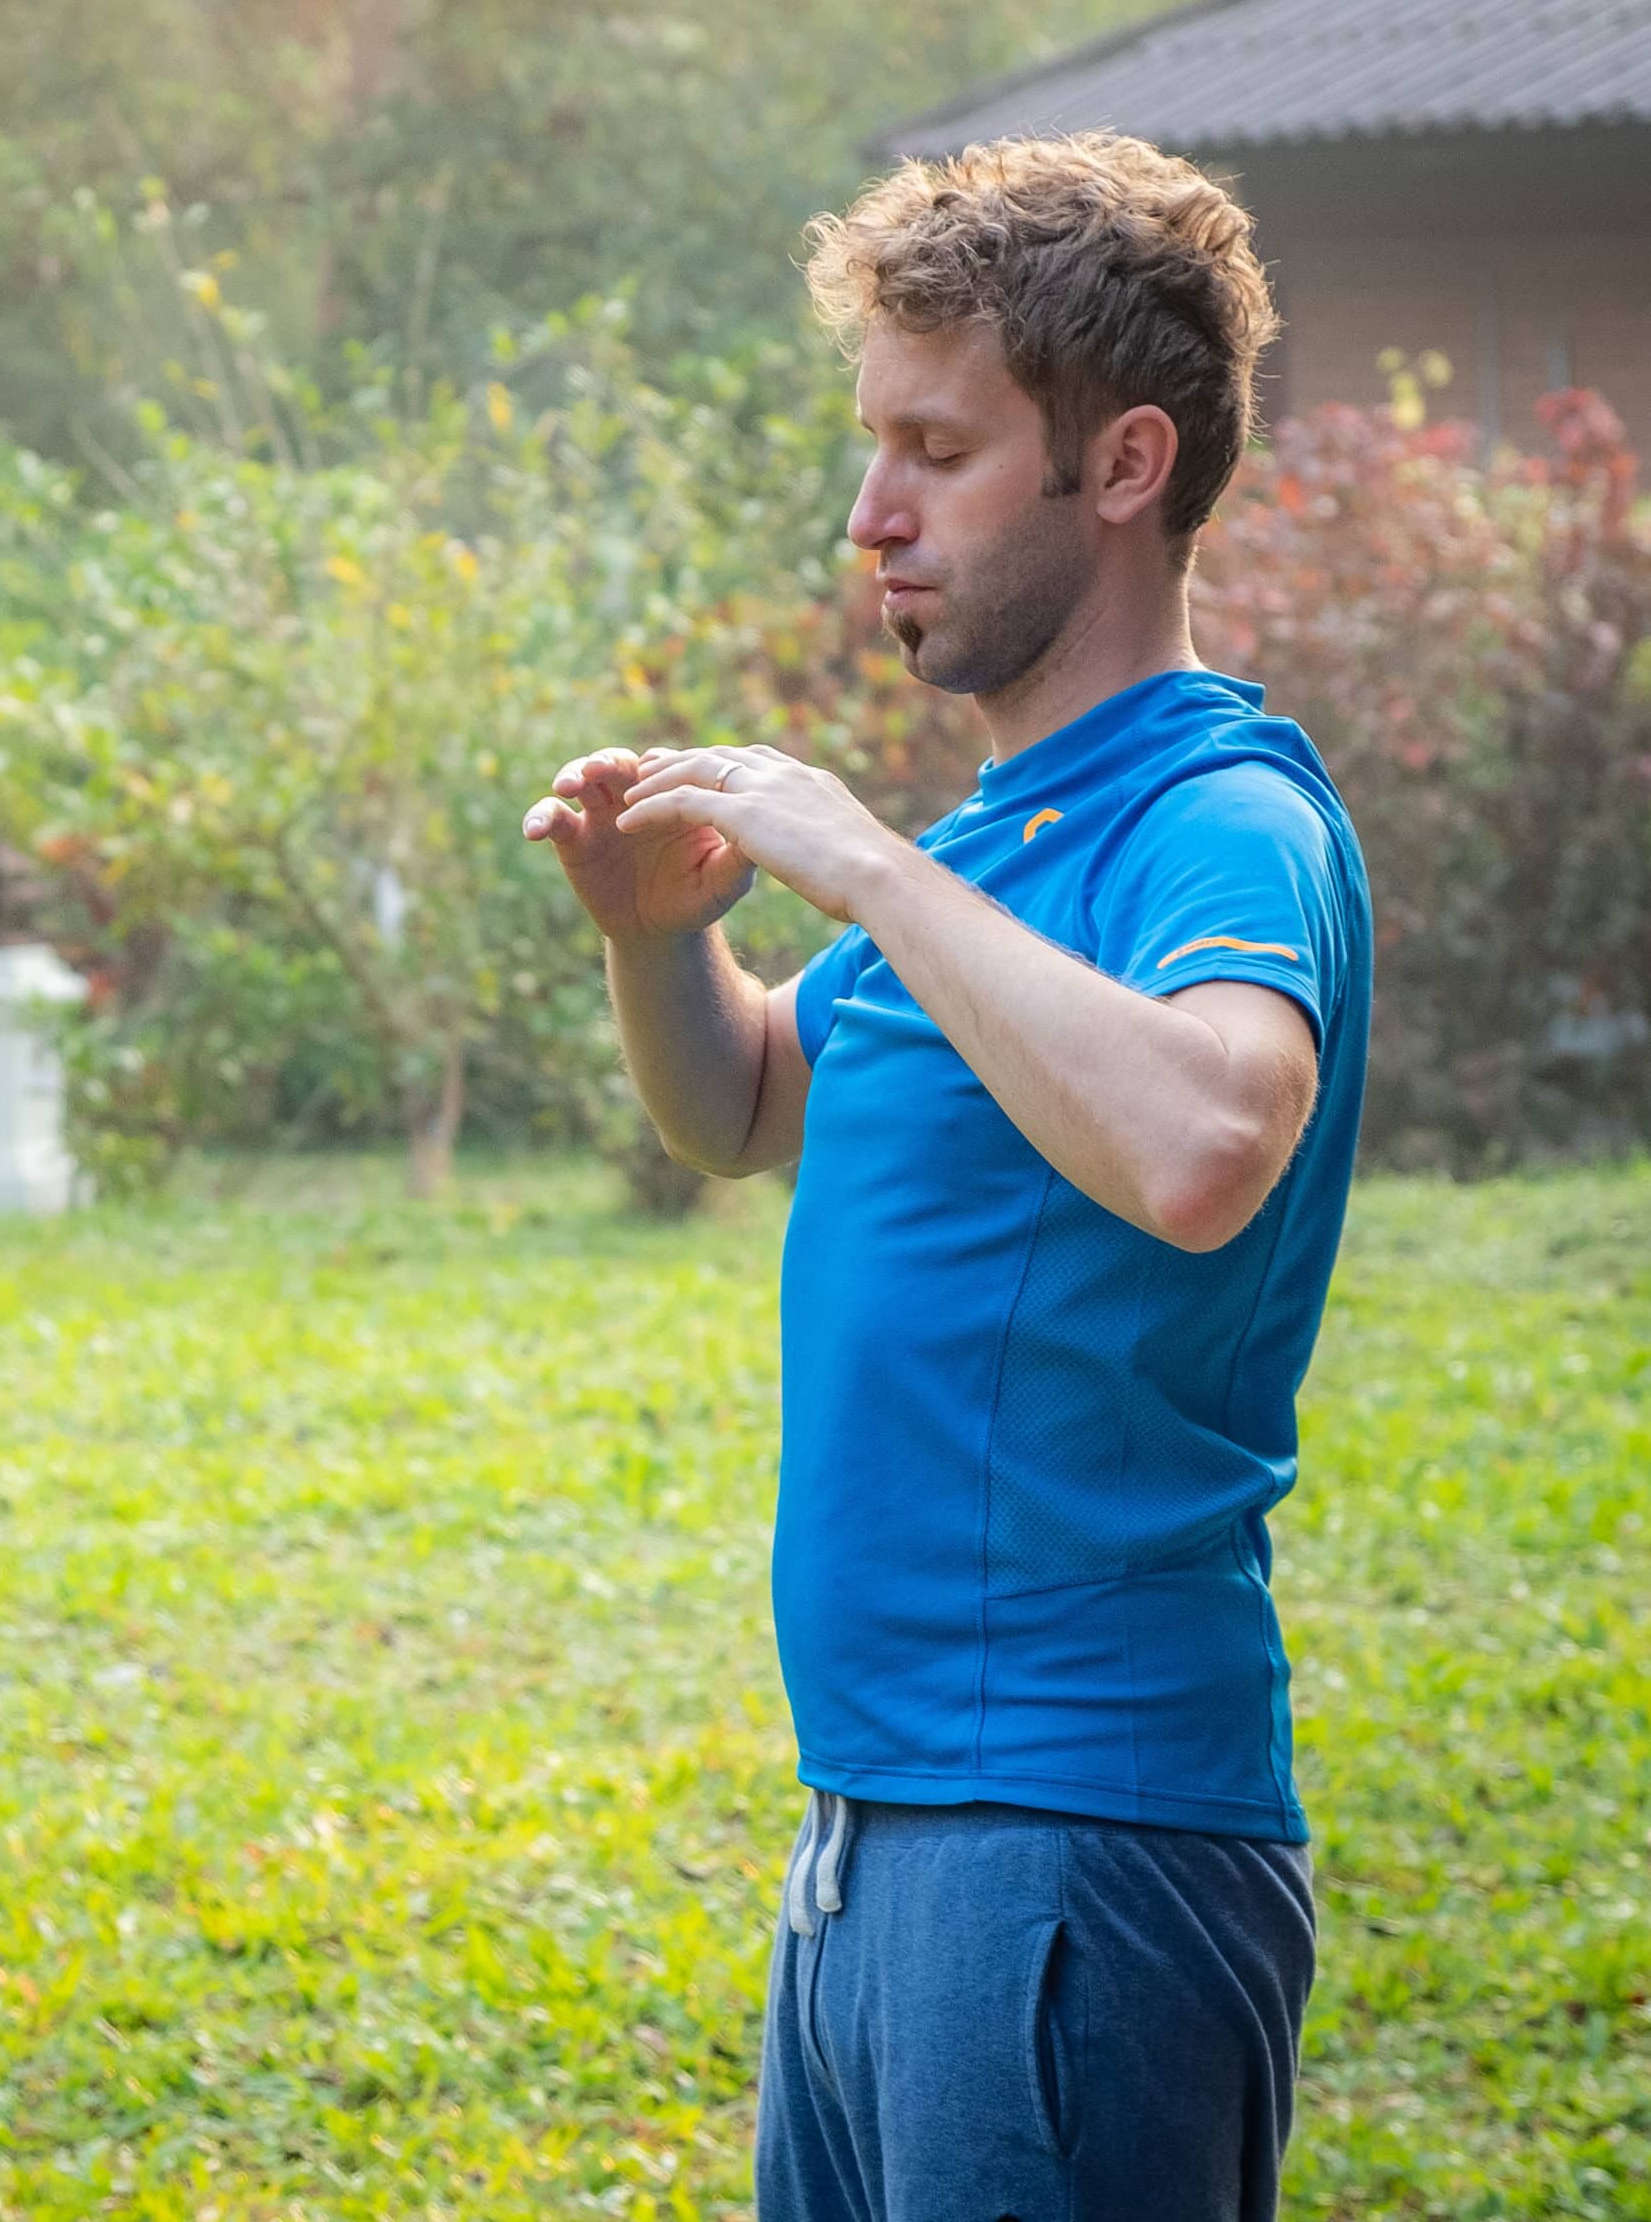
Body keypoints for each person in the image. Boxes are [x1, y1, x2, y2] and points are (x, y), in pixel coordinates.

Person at [524, 131, 1373, 2222]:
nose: (864, 515)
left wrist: (867, 862)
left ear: (1117, 464)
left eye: (932, 446)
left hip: (1077, 1829)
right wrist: (658, 931)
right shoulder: (991, 852)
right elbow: (745, 1104)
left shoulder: (1216, 821)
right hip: (880, 1828)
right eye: (866, 443)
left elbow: (1199, 1142)